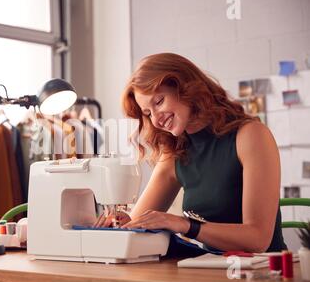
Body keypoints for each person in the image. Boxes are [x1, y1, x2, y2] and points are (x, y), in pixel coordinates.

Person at [99, 52, 286, 254]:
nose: (155, 120)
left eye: (159, 101)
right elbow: (139, 222)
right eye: (148, 113)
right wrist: (122, 223)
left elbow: (257, 239)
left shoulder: (250, 136)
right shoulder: (174, 154)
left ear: (185, 87)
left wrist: (186, 225)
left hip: (265, 272)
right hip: (214, 270)